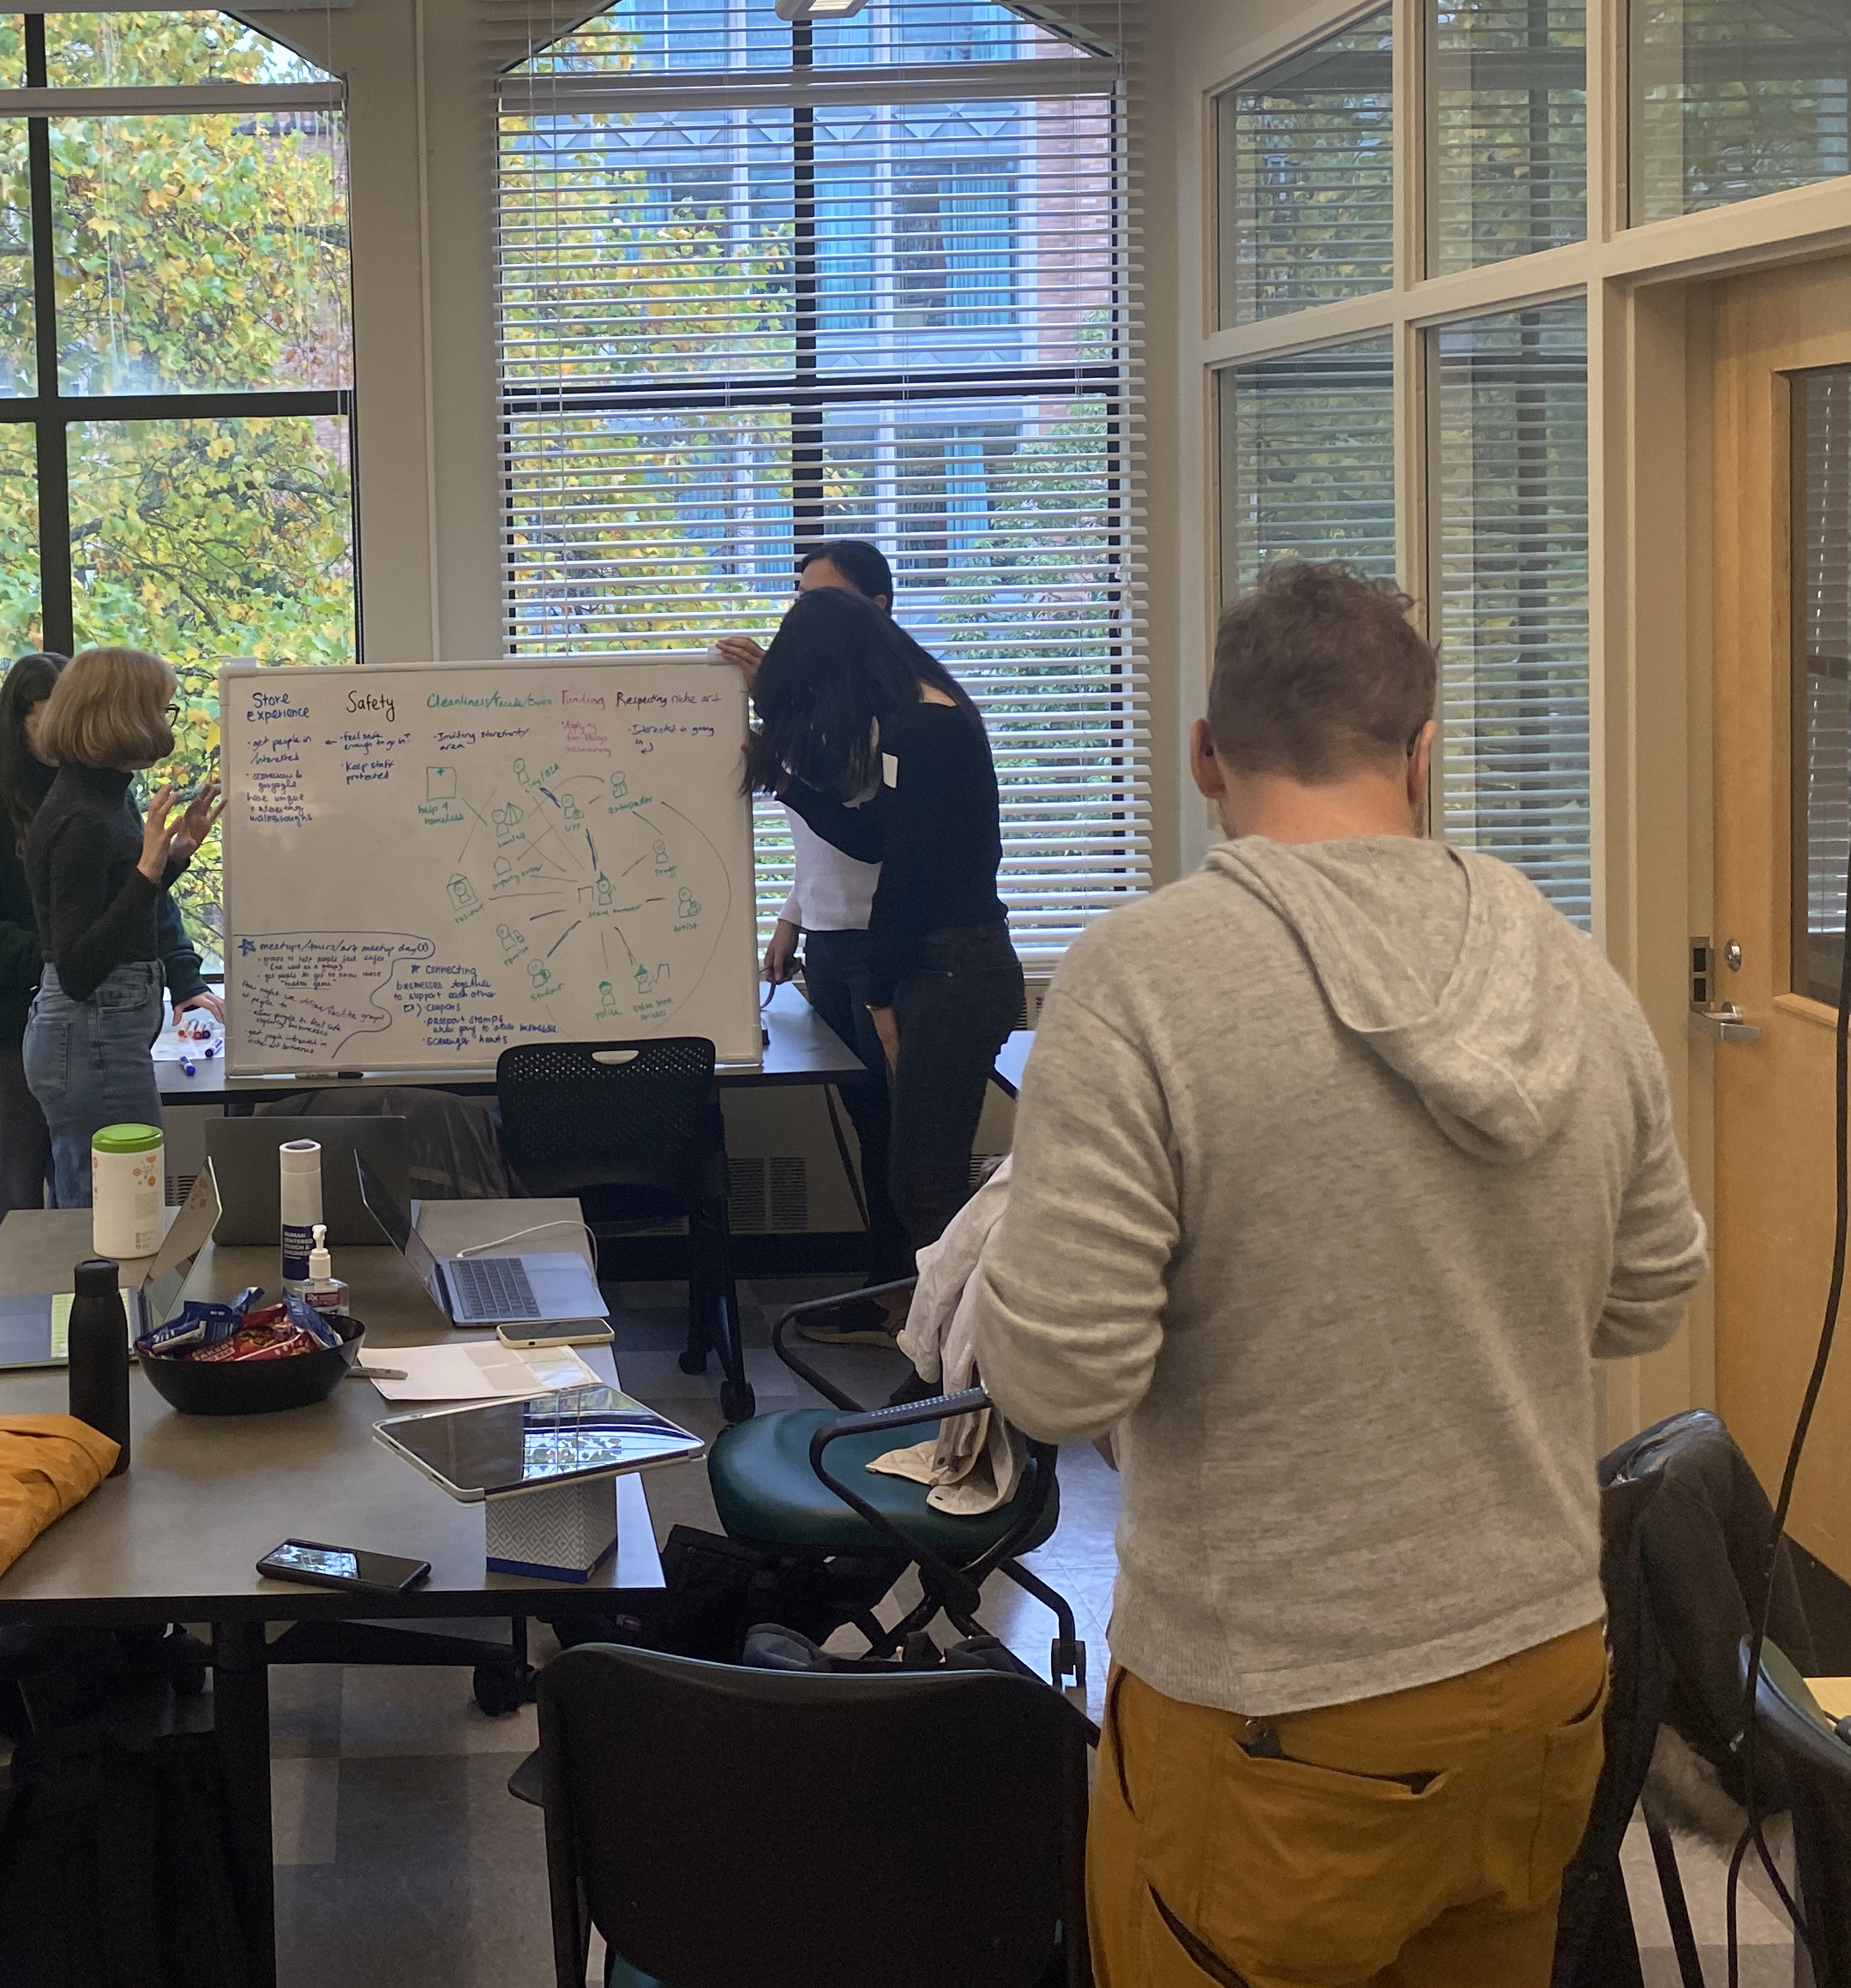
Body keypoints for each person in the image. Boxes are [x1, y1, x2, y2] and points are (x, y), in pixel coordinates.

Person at [969, 562, 1707, 1987]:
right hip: (1544, 1679)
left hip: (1272, 1715)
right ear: (1425, 755)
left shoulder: (1138, 979)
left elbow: (1060, 1380)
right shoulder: (1572, 972)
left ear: (1203, 757)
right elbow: (1649, 1290)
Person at [746, 588, 1022, 1301]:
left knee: (926, 1187)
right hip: (946, 964)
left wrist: (878, 997)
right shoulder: (918, 717)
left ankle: (957, 1379)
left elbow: (906, 878)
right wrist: (785, 780)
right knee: (919, 1181)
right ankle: (941, 1367)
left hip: (954, 970)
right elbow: (876, 838)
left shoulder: (926, 729)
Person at [0, 652, 218, 1229]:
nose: (166, 723)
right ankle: (81, 1319)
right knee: (104, 1217)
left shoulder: (100, 796)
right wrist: (146, 874)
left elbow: (122, 914)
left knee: (100, 1208)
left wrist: (170, 862)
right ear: (119, 717)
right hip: (81, 1030)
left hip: (99, 1030)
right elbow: (74, 965)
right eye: (157, 708)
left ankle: (92, 1316)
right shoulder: (77, 815)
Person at [718, 538, 898, 1280]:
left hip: (878, 946)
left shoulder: (888, 707)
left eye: (823, 600)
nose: (804, 616)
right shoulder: (826, 704)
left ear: (877, 610)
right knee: (866, 1121)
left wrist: (778, 699)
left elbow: (860, 821)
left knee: (896, 1132)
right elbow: (824, 825)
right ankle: (887, 1291)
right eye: (799, 598)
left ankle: (899, 1299)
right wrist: (792, 917)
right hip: (827, 939)